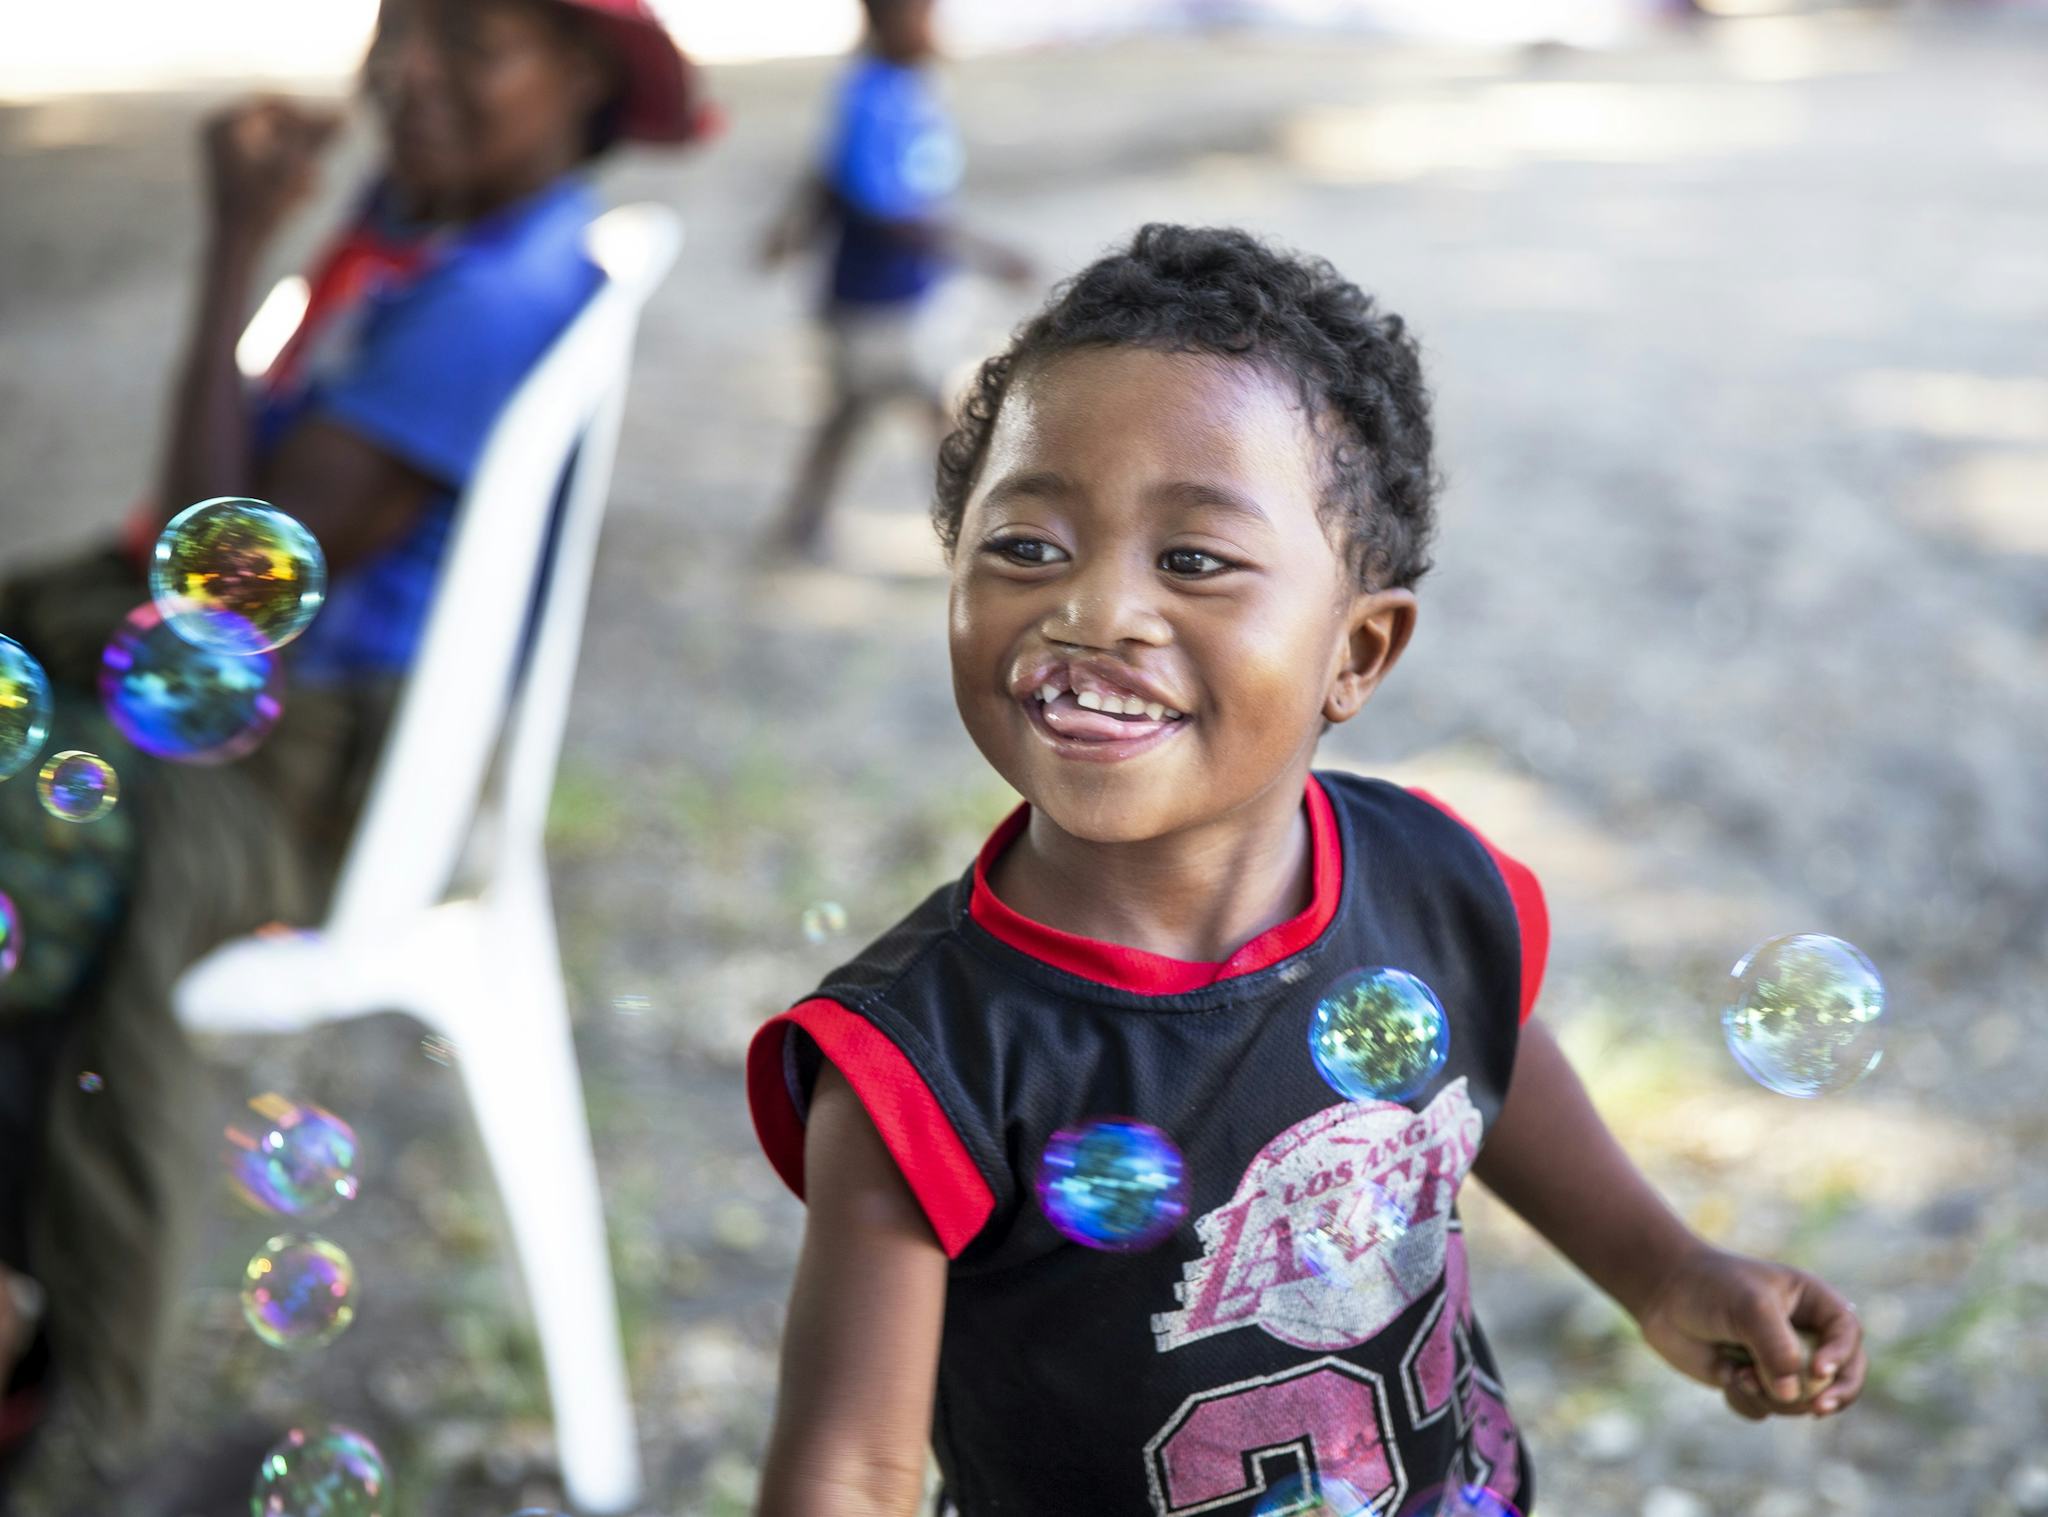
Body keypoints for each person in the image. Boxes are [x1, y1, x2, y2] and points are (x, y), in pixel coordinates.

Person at [745, 224, 1869, 1515]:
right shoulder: (916, 1061)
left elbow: (1478, 1053)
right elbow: (853, 1467)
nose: (1095, 609)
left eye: (1195, 560)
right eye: (1028, 547)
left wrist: (1664, 1268)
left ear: (1360, 651)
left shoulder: (1428, 875)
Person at [0, 0, 713, 1503]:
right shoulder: (419, 239)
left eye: (470, 40)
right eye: (400, 26)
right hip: (246, 721)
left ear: (581, 78)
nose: (408, 71)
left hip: (296, 773)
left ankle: (48, 1375)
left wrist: (228, 253)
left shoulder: (491, 299)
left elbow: (207, 594)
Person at [759, 0, 1034, 561]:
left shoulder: (910, 87)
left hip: (905, 287)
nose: (936, 27)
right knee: (927, 413)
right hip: (877, 293)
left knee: (858, 411)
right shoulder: (871, 94)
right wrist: (983, 252)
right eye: (923, 15)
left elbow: (835, 175)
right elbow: (882, 208)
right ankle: (973, 534)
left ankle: (803, 525)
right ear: (886, 20)